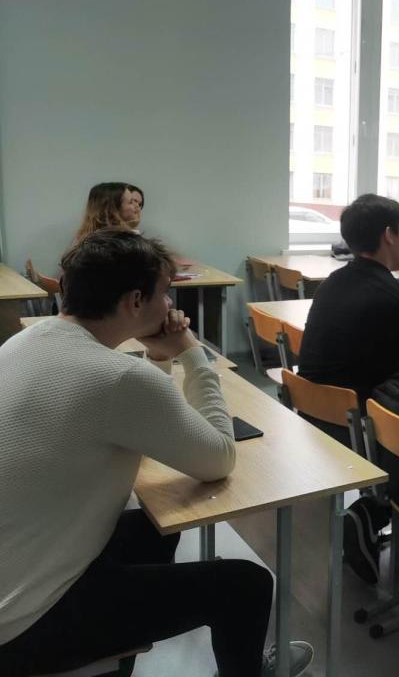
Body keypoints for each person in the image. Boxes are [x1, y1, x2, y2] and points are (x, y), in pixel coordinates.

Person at [0, 230, 312, 677]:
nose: (169, 305)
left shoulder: (24, 340)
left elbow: (138, 415)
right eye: (165, 293)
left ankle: (115, 655)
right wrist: (192, 354)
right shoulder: (118, 377)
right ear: (134, 300)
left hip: (15, 576)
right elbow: (219, 457)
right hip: (25, 626)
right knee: (246, 585)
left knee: (158, 526)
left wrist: (158, 358)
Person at [299, 193, 399, 583]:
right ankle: (374, 511)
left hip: (314, 420)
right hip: (359, 432)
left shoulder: (333, 282)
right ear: (388, 235)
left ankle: (373, 510)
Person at [73, 182, 139, 243]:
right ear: (113, 210)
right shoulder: (123, 242)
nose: (137, 205)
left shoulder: (84, 241)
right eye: (131, 202)